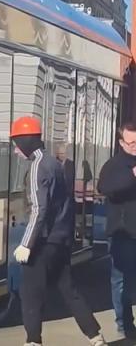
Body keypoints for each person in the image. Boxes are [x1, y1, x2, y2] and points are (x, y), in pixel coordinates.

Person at [10, 116, 106, 346]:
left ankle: (33, 341)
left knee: (30, 294)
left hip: (43, 242)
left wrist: (26, 244)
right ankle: (95, 336)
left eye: (16, 144)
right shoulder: (54, 163)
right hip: (60, 241)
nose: (15, 151)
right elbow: (64, 204)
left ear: (25, 141)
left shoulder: (37, 166)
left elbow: (38, 209)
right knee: (69, 290)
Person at [98, 122, 136, 337]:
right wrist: (132, 176)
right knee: (122, 280)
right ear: (121, 142)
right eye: (131, 143)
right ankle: (125, 324)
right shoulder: (114, 165)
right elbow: (105, 187)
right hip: (123, 232)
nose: (135, 146)